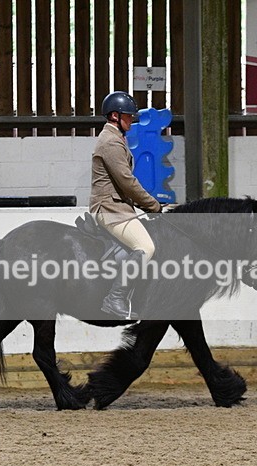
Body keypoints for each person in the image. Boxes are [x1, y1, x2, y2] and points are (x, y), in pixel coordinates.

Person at [89, 91, 162, 320]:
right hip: (110, 210)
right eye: (128, 116)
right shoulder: (110, 141)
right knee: (146, 247)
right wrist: (154, 206)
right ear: (114, 116)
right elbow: (127, 182)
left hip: (118, 207)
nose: (132, 120)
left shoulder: (116, 138)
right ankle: (115, 298)